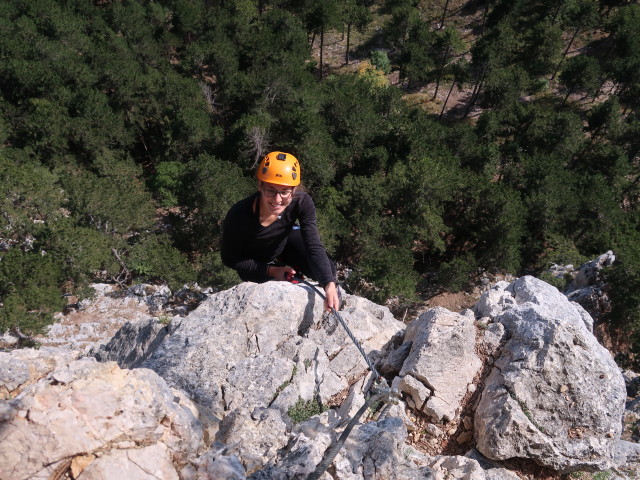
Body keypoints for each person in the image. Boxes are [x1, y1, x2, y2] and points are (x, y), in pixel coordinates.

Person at [221, 151, 340, 311]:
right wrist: (272, 271)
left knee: (328, 271)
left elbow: (313, 245)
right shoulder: (239, 215)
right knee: (270, 301)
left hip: (282, 245)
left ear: (294, 189)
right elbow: (230, 259)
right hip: (254, 261)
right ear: (260, 186)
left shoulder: (301, 202)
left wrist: (329, 284)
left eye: (284, 192)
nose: (277, 200)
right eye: (270, 190)